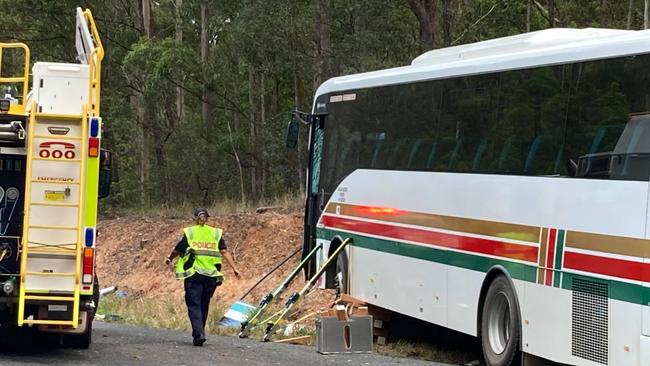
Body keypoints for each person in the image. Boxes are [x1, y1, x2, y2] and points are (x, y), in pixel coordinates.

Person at [165, 207, 240, 346]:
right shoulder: (215, 233)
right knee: (204, 303)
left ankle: (199, 333)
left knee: (194, 304)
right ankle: (200, 332)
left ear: (194, 218)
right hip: (211, 275)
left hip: (194, 274)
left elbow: (178, 250)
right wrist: (235, 268)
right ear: (208, 218)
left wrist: (169, 258)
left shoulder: (191, 232)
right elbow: (224, 251)